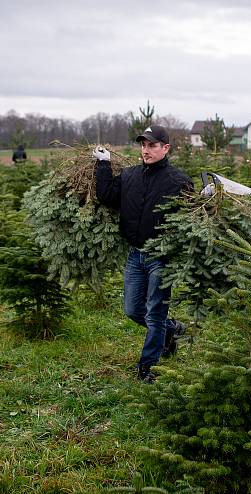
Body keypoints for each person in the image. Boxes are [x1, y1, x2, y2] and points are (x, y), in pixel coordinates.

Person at [93, 125, 193, 383]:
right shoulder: (130, 176)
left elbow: (194, 218)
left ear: (165, 148)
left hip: (162, 258)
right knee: (132, 310)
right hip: (136, 255)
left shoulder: (179, 182)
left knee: (155, 313)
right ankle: (172, 330)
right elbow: (107, 196)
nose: (145, 150)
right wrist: (103, 165)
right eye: (143, 145)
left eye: (151, 145)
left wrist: (204, 199)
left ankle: (148, 367)